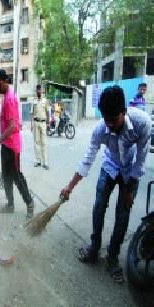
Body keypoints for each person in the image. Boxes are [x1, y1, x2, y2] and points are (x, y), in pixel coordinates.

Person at [61, 85, 151, 283]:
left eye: (114, 119)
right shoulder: (101, 129)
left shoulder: (142, 122)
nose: (110, 125)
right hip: (109, 167)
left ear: (124, 111)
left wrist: (130, 189)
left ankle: (112, 257)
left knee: (123, 213)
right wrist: (70, 186)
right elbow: (87, 160)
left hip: (130, 172)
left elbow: (141, 159)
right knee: (99, 206)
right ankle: (94, 248)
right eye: (106, 120)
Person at [0, 69, 34, 219]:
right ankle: (10, 204)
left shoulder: (10, 99)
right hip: (6, 145)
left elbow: (13, 127)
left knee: (16, 176)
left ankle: (29, 202)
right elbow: (8, 119)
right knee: (6, 176)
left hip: (12, 146)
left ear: (5, 81)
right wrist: (0, 116)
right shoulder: (6, 97)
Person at [31, 84, 49, 170]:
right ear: (36, 91)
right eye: (37, 90)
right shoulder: (33, 100)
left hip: (43, 123)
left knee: (44, 143)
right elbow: (32, 113)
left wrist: (48, 123)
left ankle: (44, 162)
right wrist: (31, 125)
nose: (38, 91)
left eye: (40, 90)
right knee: (36, 142)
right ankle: (38, 161)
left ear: (42, 91)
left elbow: (48, 112)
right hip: (35, 123)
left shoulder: (45, 101)